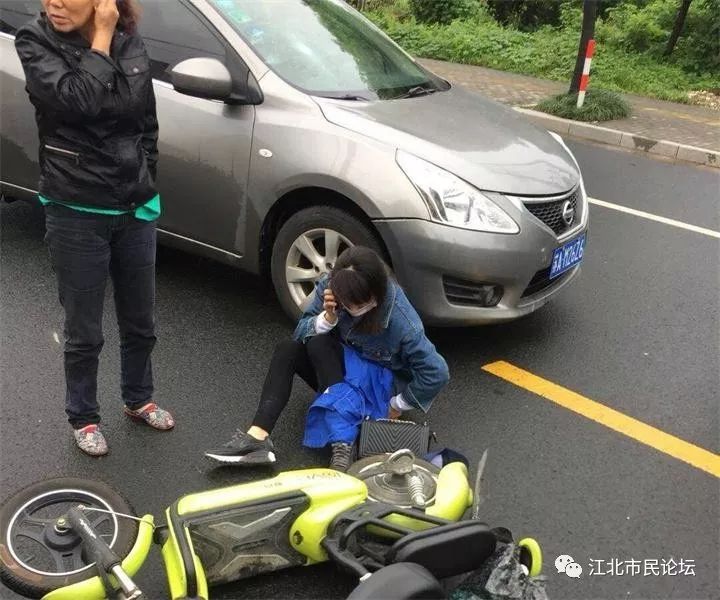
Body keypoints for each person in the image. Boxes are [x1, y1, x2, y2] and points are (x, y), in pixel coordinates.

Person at [15, 0, 174, 456]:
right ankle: (83, 416)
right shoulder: (36, 41)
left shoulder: (131, 42)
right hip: (76, 206)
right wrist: (100, 38)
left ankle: (138, 398)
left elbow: (146, 120)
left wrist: (147, 178)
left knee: (141, 321)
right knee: (85, 330)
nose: (55, 3)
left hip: (135, 205)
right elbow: (78, 101)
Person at [205, 246, 449, 471]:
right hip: (341, 373)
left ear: (377, 292)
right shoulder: (331, 287)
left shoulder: (400, 318)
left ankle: (344, 444)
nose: (354, 309)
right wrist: (328, 318)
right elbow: (301, 331)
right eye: (348, 303)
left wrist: (397, 405)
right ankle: (257, 439)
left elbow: (436, 371)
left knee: (322, 345)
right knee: (290, 348)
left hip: (377, 389)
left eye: (361, 303)